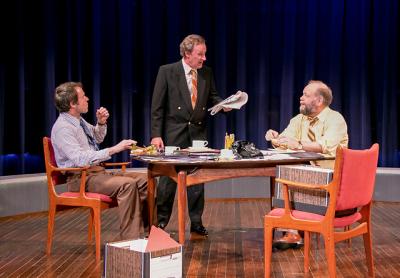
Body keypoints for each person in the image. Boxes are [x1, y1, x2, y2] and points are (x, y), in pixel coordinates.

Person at [150, 34, 231, 236]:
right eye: (200, 54)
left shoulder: (206, 73)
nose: (204, 58)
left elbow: (213, 97)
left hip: (198, 134)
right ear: (187, 54)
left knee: (197, 180)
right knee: (168, 182)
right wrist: (155, 135)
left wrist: (225, 105)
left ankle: (196, 222)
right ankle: (160, 223)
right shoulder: (167, 72)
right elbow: (157, 107)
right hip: (172, 134)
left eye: (204, 54)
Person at [51, 82, 148, 240]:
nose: (87, 99)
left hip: (97, 174)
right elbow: (80, 159)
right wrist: (114, 149)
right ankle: (131, 241)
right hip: (81, 178)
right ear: (72, 104)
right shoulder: (63, 128)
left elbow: (96, 138)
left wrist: (101, 122)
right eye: (83, 97)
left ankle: (150, 233)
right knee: (127, 185)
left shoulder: (78, 121)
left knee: (145, 180)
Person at [265, 80, 349, 249]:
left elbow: (325, 146)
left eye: (306, 95)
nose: (301, 98)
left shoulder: (335, 119)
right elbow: (286, 140)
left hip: (328, 179)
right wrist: (275, 138)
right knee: (286, 172)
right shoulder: (299, 119)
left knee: (290, 174)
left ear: (319, 101)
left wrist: (299, 144)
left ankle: (293, 231)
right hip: (305, 175)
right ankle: (293, 231)